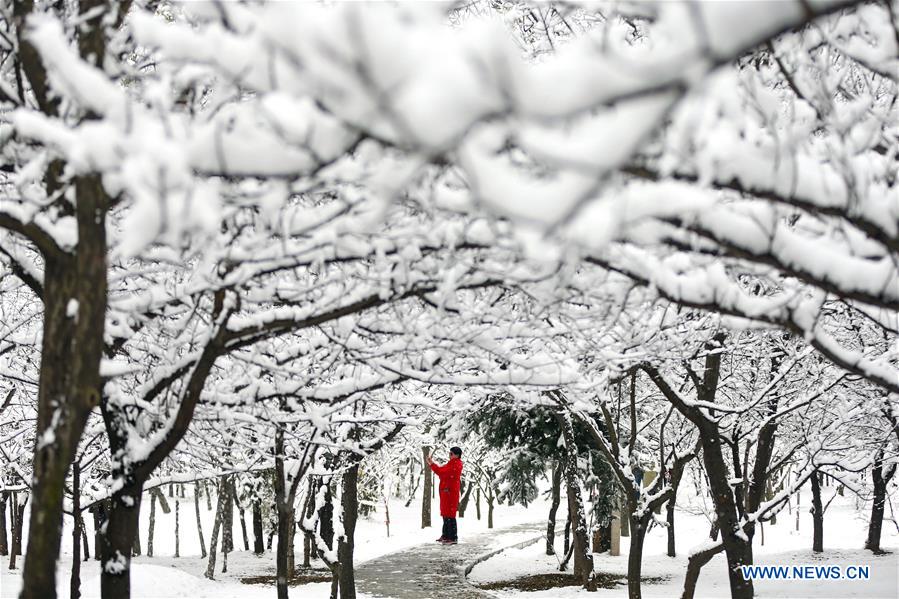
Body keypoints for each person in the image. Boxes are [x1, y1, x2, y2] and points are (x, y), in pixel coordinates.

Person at [427, 446, 463, 544]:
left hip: (450, 492)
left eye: (451, 454)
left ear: (457, 455)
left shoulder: (457, 464)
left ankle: (452, 536)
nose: (449, 455)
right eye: (449, 453)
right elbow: (441, 471)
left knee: (450, 515)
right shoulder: (450, 464)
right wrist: (432, 464)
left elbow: (442, 473)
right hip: (446, 492)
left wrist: (432, 465)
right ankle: (446, 535)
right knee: (445, 514)